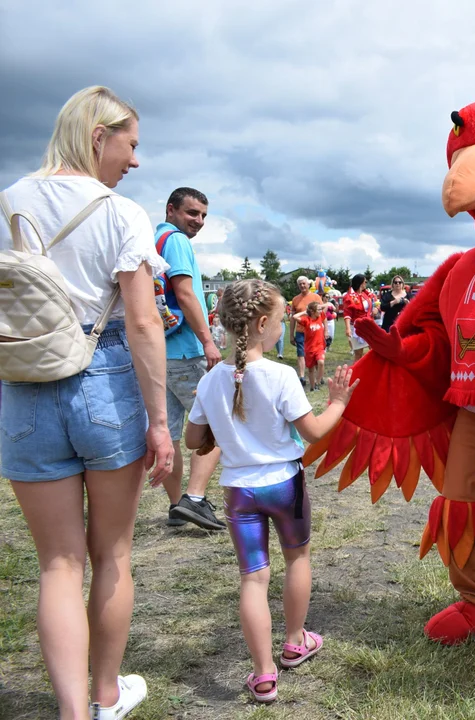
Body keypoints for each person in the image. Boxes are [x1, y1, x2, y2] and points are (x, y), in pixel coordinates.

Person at [0, 85, 173, 720]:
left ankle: (72, 712)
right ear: (99, 136)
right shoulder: (120, 212)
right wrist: (160, 421)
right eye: (130, 144)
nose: (134, 161)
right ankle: (106, 696)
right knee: (112, 555)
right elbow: (144, 323)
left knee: (57, 565)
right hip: (102, 383)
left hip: (24, 387)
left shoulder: (10, 201)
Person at [183, 279, 358, 703]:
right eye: (281, 321)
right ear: (263, 323)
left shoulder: (210, 381)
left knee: (252, 579)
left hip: (239, 492)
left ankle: (263, 675)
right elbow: (313, 431)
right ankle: (296, 641)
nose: (285, 328)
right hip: (284, 485)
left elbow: (191, 440)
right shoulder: (280, 375)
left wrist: (215, 422)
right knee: (297, 558)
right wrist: (337, 401)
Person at [155, 187, 225, 530]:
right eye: (192, 213)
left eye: (203, 216)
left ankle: (175, 506)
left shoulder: (153, 239)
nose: (198, 221)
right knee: (216, 426)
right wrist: (208, 341)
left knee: (167, 434)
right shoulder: (177, 241)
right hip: (185, 349)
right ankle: (194, 498)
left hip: (157, 352)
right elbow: (185, 292)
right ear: (172, 209)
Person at [289, 276, 319, 388]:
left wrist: (324, 330)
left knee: (314, 353)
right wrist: (291, 334)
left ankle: (317, 378)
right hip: (301, 331)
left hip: (314, 331)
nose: (302, 286)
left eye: (304, 283)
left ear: (308, 284)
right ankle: (302, 377)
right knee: (301, 353)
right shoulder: (295, 299)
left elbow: (322, 313)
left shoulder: (315, 297)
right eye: (300, 284)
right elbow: (292, 318)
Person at [341, 274, 377, 361]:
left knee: (374, 350)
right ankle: (356, 373)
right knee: (358, 354)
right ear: (360, 283)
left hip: (368, 325)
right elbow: (347, 314)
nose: (366, 284)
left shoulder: (366, 294)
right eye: (365, 282)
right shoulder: (349, 297)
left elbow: (373, 303)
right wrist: (348, 328)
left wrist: (375, 309)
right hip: (357, 327)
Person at [296, 301, 327, 390]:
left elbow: (326, 306)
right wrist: (305, 312)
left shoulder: (320, 316)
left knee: (321, 362)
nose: (321, 311)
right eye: (318, 309)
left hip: (319, 347)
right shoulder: (306, 320)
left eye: (321, 309)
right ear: (312, 311)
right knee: (311, 369)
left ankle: (317, 382)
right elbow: (294, 317)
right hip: (309, 348)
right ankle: (313, 387)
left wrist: (325, 305)